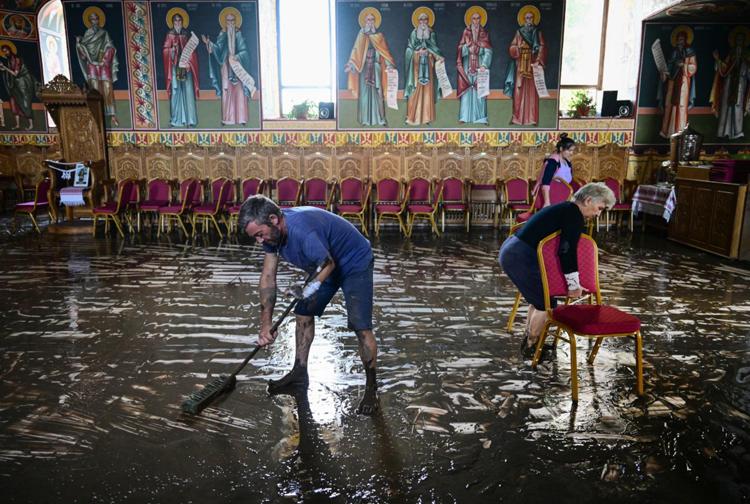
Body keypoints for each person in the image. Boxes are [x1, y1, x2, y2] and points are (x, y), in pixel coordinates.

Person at [238, 195, 379, 415]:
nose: (259, 241)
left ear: (274, 219)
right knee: (302, 312)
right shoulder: (271, 236)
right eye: (255, 237)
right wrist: (265, 325)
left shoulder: (302, 232)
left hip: (354, 262)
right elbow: (267, 277)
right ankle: (299, 372)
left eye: (260, 235)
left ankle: (372, 387)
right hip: (324, 262)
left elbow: (328, 263)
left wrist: (308, 290)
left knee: (360, 326)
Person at [499, 182, 615, 355]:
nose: (598, 214)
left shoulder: (566, 208)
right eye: (599, 208)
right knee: (547, 305)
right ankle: (532, 348)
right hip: (520, 255)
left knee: (541, 300)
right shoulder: (574, 215)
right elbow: (566, 251)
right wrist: (574, 285)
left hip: (513, 250)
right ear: (589, 200)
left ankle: (531, 343)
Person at [202, 8, 255, 126]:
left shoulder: (238, 33)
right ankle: (227, 119)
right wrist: (209, 44)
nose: (230, 23)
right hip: (226, 67)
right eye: (228, 21)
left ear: (235, 21)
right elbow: (218, 48)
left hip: (238, 67)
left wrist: (238, 56)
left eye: (232, 20)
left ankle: (241, 118)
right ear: (225, 22)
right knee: (227, 91)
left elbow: (245, 51)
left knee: (240, 91)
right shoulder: (223, 33)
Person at [345, 7, 396, 127]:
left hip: (376, 67)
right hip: (364, 69)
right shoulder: (361, 35)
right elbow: (356, 51)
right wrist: (351, 64)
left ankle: (381, 119)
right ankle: (365, 120)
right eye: (368, 20)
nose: (370, 22)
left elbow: (385, 52)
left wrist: (389, 65)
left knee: (378, 93)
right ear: (364, 21)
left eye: (372, 20)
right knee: (364, 95)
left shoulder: (379, 36)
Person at [76, 8, 119, 126]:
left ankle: (112, 115)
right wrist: (79, 45)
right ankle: (96, 114)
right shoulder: (87, 34)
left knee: (107, 87)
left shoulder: (104, 33)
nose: (94, 21)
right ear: (90, 21)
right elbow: (83, 54)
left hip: (103, 64)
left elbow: (111, 47)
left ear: (99, 20)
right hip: (92, 66)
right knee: (94, 88)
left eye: (96, 19)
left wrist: (104, 59)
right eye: (92, 19)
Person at [504, 6, 546, 126]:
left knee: (532, 92)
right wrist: (518, 47)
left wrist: (538, 60)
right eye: (527, 18)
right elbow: (512, 47)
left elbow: (542, 46)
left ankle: (532, 118)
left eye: (531, 18)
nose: (529, 20)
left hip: (532, 64)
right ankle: (516, 118)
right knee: (518, 90)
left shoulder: (537, 32)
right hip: (521, 64)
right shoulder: (519, 32)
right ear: (524, 19)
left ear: (534, 19)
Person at [404, 9, 444, 126]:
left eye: (425, 19)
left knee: (427, 92)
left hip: (428, 66)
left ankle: (427, 118)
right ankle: (411, 117)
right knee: (414, 91)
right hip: (415, 68)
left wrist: (432, 55)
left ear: (428, 21)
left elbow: (435, 49)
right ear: (418, 21)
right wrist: (417, 53)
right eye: (421, 19)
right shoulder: (413, 33)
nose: (423, 22)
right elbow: (409, 50)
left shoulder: (431, 33)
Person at [710, 28, 750, 140]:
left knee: (738, 106)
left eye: (741, 40)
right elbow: (724, 68)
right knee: (726, 106)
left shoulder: (747, 54)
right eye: (737, 39)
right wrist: (717, 60)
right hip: (729, 81)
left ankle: (738, 132)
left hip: (740, 83)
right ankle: (724, 132)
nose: (739, 41)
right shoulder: (731, 53)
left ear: (744, 41)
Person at [658, 28, 697, 139]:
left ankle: (681, 131)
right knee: (669, 105)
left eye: (682, 40)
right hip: (672, 81)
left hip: (684, 81)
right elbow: (669, 66)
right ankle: (667, 132)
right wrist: (665, 73)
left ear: (685, 40)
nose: (680, 42)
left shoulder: (690, 52)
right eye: (678, 40)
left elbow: (693, 67)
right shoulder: (674, 52)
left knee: (681, 105)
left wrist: (684, 65)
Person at [456, 7, 492, 124]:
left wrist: (484, 64)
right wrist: (468, 47)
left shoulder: (484, 33)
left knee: (479, 89)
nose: (476, 21)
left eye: (478, 18)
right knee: (467, 89)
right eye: (474, 19)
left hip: (480, 65)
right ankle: (464, 116)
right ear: (470, 20)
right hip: (467, 65)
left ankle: (481, 117)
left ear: (481, 20)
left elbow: (489, 50)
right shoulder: (466, 32)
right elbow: (460, 49)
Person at [163, 11, 199, 128]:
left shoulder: (185, 34)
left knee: (188, 92)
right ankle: (176, 120)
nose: (178, 23)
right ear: (172, 23)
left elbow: (191, 51)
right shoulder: (170, 35)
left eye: (179, 20)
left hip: (186, 68)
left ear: (182, 22)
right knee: (176, 92)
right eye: (175, 21)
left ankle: (190, 120)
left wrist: (189, 62)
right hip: (174, 68)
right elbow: (165, 51)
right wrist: (172, 50)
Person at [532, 133, 575, 207]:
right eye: (569, 150)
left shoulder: (567, 162)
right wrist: (547, 202)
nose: (572, 153)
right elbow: (546, 182)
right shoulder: (553, 161)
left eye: (573, 150)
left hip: (564, 196)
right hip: (552, 197)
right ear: (561, 149)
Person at [0, 43, 37, 130]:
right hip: (14, 85)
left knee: (25, 104)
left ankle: (31, 125)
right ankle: (17, 125)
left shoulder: (16, 59)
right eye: (4, 52)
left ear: (10, 50)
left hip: (22, 85)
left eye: (6, 51)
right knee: (14, 103)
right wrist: (3, 68)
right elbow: (10, 72)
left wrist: (4, 67)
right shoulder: (9, 61)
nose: (6, 53)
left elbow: (15, 74)